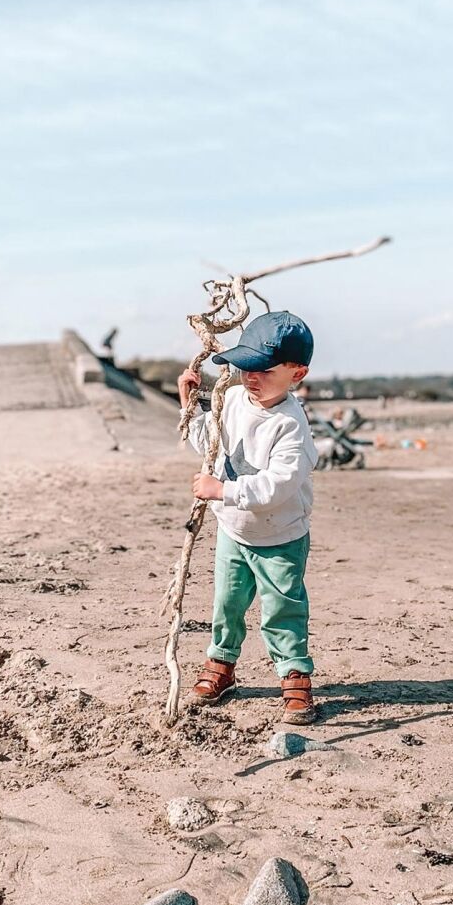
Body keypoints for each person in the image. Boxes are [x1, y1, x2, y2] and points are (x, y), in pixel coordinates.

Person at [177, 310, 318, 726]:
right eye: (244, 367)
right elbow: (211, 446)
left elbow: (277, 486)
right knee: (227, 602)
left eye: (264, 370)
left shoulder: (291, 426)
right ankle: (222, 664)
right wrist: (190, 405)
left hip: (280, 535)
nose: (251, 377)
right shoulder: (234, 399)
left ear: (298, 373)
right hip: (233, 530)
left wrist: (222, 490)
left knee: (283, 607)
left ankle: (295, 675)